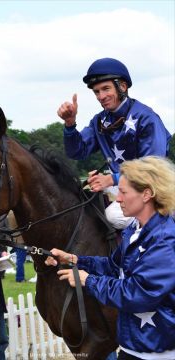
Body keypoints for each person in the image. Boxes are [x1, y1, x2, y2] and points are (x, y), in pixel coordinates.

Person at [45, 156, 175, 359]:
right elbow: (115, 267)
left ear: (147, 194)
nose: (118, 199)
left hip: (159, 352)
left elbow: (138, 294)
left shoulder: (165, 239)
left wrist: (88, 280)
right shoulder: (134, 229)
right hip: (133, 347)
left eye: (123, 192)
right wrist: (75, 260)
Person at [58, 57, 171, 230]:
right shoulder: (99, 121)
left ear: (122, 87)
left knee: (113, 216)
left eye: (106, 89)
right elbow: (77, 152)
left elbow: (152, 170)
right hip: (122, 188)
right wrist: (69, 124)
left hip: (153, 189)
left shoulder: (147, 118)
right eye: (96, 92)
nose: (101, 97)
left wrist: (112, 179)